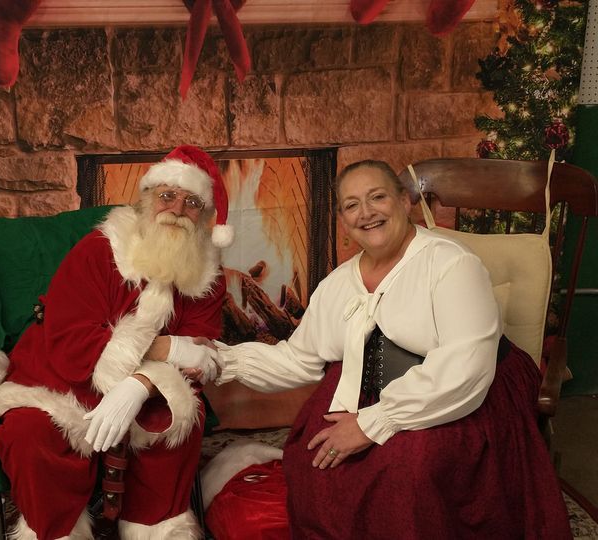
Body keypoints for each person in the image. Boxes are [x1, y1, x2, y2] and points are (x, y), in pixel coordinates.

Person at [211, 160, 572, 538]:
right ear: (343, 219)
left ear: (404, 201)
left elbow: (466, 369)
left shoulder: (453, 264)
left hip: (466, 388)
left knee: (407, 469)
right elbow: (298, 360)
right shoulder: (337, 284)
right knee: (311, 455)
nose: (366, 212)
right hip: (381, 385)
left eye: (377, 197)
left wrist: (371, 424)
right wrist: (215, 360)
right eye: (352, 205)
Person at [0, 145, 233, 539]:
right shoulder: (99, 250)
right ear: (147, 200)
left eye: (192, 202)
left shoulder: (208, 276)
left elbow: (203, 355)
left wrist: (139, 385)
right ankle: (55, 530)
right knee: (30, 433)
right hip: (63, 373)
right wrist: (170, 348)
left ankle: (157, 528)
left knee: (177, 421)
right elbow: (71, 337)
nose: (178, 208)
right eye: (168, 195)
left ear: (205, 217)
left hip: (153, 386)